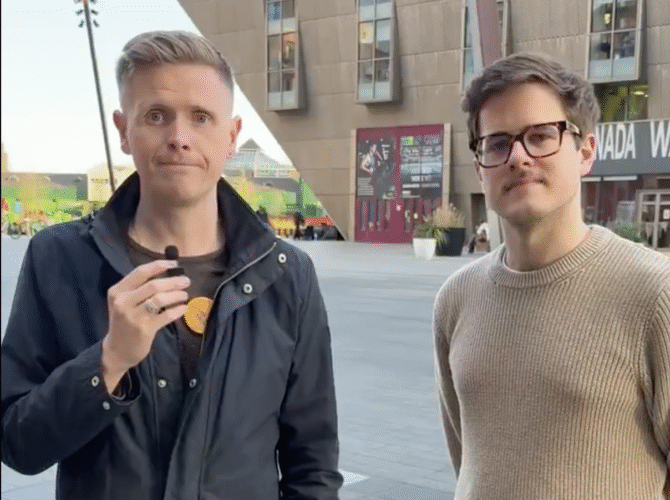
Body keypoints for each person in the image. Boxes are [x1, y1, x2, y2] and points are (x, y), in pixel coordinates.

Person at [1, 30, 342, 500]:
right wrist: (108, 362)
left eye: (201, 117)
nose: (180, 138)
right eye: (156, 116)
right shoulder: (58, 259)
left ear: (231, 136)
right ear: (124, 130)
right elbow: (18, 443)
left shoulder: (287, 275)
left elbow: (314, 467)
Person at [433, 53, 669, 499]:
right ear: (480, 167)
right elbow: (467, 458)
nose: (518, 158)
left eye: (540, 136)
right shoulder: (455, 299)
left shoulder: (655, 293)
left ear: (585, 152)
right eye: (497, 144)